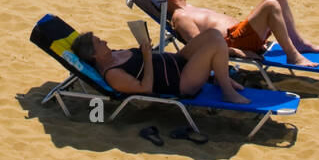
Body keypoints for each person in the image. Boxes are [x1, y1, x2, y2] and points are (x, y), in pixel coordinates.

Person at [72, 26, 250, 105]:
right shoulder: (113, 74)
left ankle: (221, 78)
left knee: (212, 34)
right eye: (99, 42)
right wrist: (147, 57)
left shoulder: (112, 54)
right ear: (95, 54)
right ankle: (228, 92)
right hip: (180, 81)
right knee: (216, 44)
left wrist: (144, 46)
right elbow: (145, 88)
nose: (105, 41)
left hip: (176, 60)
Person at [166, 0, 319, 67]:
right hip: (235, 41)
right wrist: (238, 52)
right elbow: (199, 45)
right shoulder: (180, 16)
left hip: (242, 33)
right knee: (271, 5)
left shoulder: (189, 8)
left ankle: (298, 43)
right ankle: (293, 56)